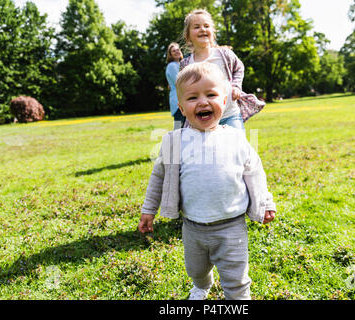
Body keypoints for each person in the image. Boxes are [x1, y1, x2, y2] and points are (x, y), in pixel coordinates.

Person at [138, 62, 276, 300]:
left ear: (223, 102)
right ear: (181, 108)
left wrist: (266, 202)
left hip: (231, 225)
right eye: (193, 98)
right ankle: (202, 286)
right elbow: (158, 177)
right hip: (193, 227)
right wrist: (149, 209)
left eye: (210, 94)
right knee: (196, 270)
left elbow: (255, 171)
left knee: (236, 278)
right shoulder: (174, 142)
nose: (202, 102)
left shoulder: (235, 138)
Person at [179, 9, 265, 130]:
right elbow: (183, 88)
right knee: (203, 147)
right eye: (196, 27)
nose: (202, 29)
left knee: (236, 145)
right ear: (187, 36)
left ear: (212, 32)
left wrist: (236, 86)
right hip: (202, 118)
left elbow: (239, 68)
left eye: (206, 26)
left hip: (230, 114)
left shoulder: (224, 54)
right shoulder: (186, 64)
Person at [166, 42, 185, 129]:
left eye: (178, 49)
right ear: (170, 54)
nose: (177, 52)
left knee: (185, 127)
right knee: (178, 127)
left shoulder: (181, 64)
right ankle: (175, 142)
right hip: (178, 101)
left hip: (183, 99)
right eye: (174, 51)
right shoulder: (172, 65)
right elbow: (179, 82)